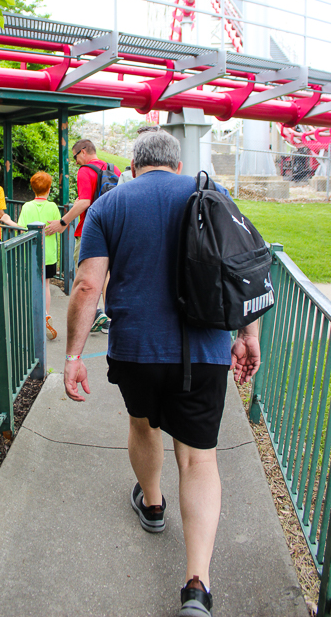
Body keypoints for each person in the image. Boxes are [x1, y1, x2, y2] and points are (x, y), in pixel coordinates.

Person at [63, 130, 261, 617]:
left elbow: (89, 284)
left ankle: (152, 504)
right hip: (207, 350)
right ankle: (197, 584)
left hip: (136, 350)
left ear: (133, 166)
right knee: (198, 460)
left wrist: (72, 356)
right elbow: (245, 267)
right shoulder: (211, 193)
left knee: (143, 423)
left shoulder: (109, 204)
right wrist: (248, 335)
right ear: (177, 165)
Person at [45, 139, 120, 333]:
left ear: (84, 151)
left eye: (76, 156)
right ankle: (108, 318)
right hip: (113, 229)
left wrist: (62, 222)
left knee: (84, 276)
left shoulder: (85, 171)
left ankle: (92, 316)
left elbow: (84, 201)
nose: (76, 161)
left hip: (90, 230)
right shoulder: (114, 169)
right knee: (108, 274)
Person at [18, 172, 61, 340]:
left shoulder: (27, 206)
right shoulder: (53, 207)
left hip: (31, 253)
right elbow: (60, 227)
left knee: (33, 285)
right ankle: (45, 315)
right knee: (46, 285)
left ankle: (34, 316)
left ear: (32, 188)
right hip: (48, 254)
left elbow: (22, 228)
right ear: (49, 189)